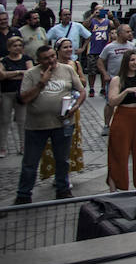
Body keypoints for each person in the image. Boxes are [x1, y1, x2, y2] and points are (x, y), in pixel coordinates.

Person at [14, 44, 84, 203]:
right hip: (37, 126)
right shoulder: (31, 74)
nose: (51, 60)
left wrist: (75, 106)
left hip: (63, 124)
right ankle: (24, 194)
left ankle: (63, 189)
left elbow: (81, 91)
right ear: (39, 60)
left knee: (62, 159)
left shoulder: (67, 69)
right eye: (46, 58)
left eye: (53, 56)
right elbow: (23, 99)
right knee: (30, 162)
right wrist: (41, 83)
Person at [41, 37, 87, 183]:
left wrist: (77, 82)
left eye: (70, 47)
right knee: (52, 142)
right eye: (65, 47)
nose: (69, 50)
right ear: (57, 50)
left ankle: (66, 173)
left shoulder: (75, 64)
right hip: (53, 109)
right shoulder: (52, 65)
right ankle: (55, 173)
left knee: (70, 141)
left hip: (71, 108)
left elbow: (83, 83)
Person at [106, 49, 136, 191]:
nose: (135, 63)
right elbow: (112, 101)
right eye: (132, 60)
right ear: (126, 62)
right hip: (123, 116)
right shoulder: (118, 80)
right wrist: (126, 91)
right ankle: (117, 186)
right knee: (119, 152)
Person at [1, 35, 33, 157]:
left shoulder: (26, 58)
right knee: (4, 120)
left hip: (22, 94)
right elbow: (2, 75)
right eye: (15, 46)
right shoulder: (4, 61)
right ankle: (2, 147)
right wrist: (19, 72)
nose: (17, 48)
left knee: (22, 121)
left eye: (20, 45)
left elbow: (30, 73)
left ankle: (23, 146)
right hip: (7, 93)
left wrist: (11, 74)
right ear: (9, 48)